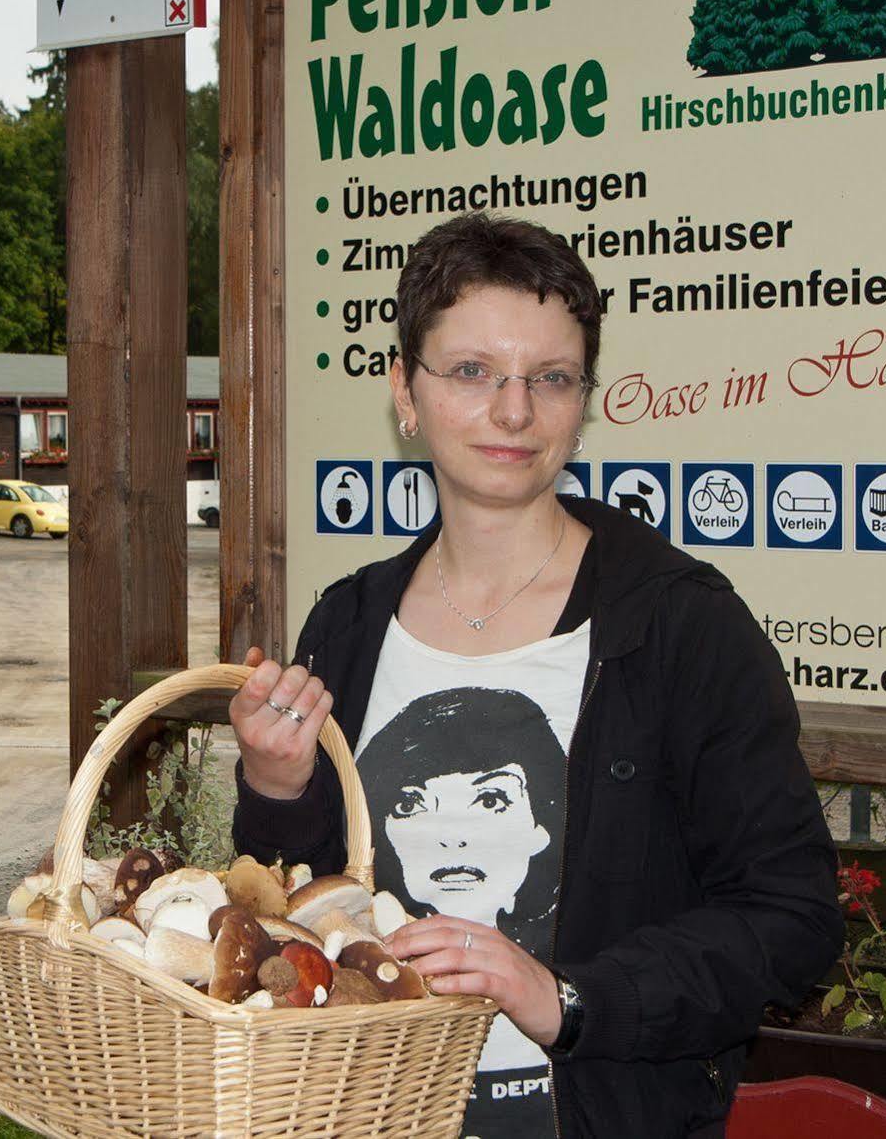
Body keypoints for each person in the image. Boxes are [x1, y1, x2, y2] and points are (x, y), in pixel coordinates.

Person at [229, 212, 841, 1139]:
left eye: (549, 379)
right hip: (365, 1115)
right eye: (471, 372)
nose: (513, 413)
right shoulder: (348, 622)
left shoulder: (679, 624)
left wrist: (569, 998)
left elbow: (791, 920)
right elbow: (315, 909)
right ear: (406, 389)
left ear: (583, 398)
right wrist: (278, 786)